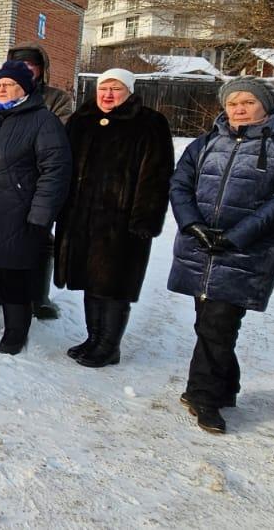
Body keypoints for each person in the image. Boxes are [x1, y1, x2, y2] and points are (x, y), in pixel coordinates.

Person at [167, 77, 274, 434]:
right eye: (233, 103)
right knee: (208, 321)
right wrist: (192, 225)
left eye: (248, 102)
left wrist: (237, 236)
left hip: (247, 251)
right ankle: (225, 386)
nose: (239, 109)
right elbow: (180, 184)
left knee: (219, 323)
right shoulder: (206, 142)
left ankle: (204, 396)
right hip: (201, 246)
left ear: (266, 106)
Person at [53, 69, 174, 368]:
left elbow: (157, 175)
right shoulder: (82, 120)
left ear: (129, 91)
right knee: (89, 280)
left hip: (121, 222)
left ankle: (109, 346)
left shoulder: (149, 123)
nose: (108, 94)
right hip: (81, 217)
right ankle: (93, 338)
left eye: (116, 89)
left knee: (114, 284)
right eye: (103, 88)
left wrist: (144, 219)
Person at [0, 61, 71, 353]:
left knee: (14, 274)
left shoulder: (43, 121)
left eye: (9, 85)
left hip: (17, 211)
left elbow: (55, 171)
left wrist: (40, 214)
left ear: (25, 88)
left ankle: (16, 331)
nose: (1, 89)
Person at [0, 44, 76, 320]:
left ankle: (38, 296)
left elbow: (56, 143)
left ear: (41, 69)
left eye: (32, 65)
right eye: (21, 64)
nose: (27, 68)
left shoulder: (54, 99)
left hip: (28, 184)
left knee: (36, 244)